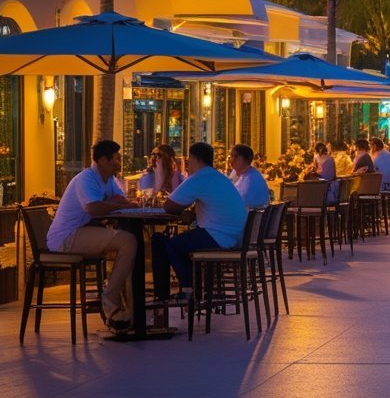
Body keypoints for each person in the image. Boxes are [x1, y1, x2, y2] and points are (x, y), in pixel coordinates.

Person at [46, 139, 138, 329]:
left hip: (83, 231)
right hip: (67, 237)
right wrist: (116, 204)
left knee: (127, 245)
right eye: (116, 159)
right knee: (128, 242)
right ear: (103, 160)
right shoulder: (86, 178)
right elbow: (93, 207)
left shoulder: (108, 179)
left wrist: (115, 203)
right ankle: (110, 300)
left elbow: (120, 198)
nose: (119, 163)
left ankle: (128, 308)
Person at [152, 142, 249, 305]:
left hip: (219, 236)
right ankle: (185, 291)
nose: (188, 165)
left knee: (170, 244)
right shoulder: (217, 176)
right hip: (235, 235)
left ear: (194, 159)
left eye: (189, 160)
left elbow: (169, 206)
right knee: (166, 241)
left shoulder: (200, 177)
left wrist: (184, 213)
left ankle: (184, 292)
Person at [228, 143, 271, 208]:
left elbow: (235, 202)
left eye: (231, 156)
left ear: (240, 159)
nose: (230, 160)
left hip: (249, 216)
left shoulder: (251, 178)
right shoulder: (238, 172)